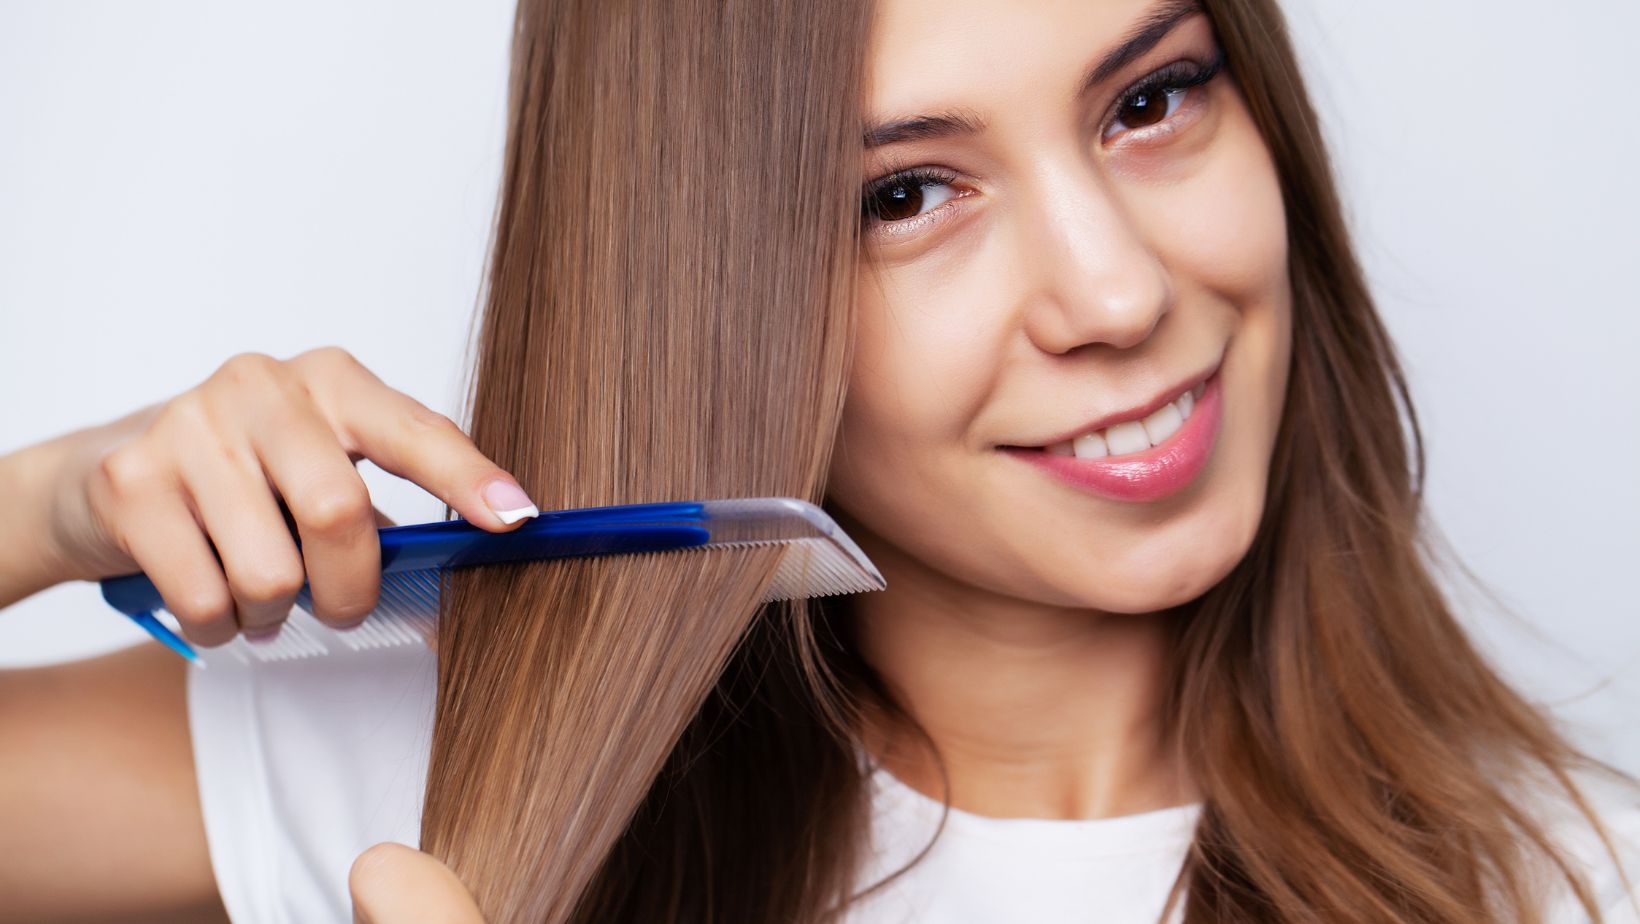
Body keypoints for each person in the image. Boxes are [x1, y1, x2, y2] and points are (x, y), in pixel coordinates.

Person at [2, 0, 1638, 921]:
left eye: (1152, 98)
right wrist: (52, 500)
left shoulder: (1573, 885)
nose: (1120, 293)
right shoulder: (468, 772)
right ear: (711, 296)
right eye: (908, 195)